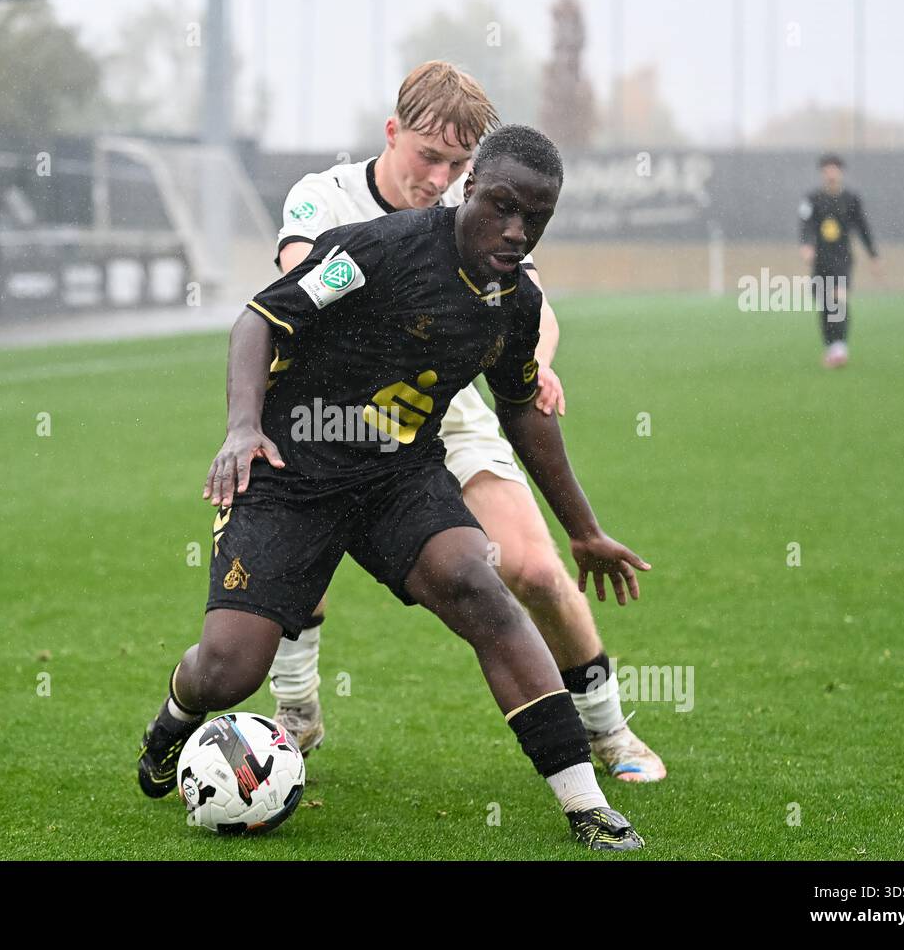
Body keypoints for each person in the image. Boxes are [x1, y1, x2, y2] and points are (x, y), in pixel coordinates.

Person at [136, 125, 649, 851]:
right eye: (502, 207)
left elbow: (523, 415)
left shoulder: (514, 302)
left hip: (396, 476)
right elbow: (260, 318)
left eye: (536, 217)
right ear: (468, 188)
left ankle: (585, 803)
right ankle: (171, 726)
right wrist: (242, 429)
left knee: (479, 583)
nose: (516, 230)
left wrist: (584, 529)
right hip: (290, 471)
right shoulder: (383, 248)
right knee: (228, 669)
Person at [266, 61, 664, 781]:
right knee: (295, 552)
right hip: (331, 414)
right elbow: (295, 284)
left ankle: (610, 731)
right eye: (428, 156)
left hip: (443, 407)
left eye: (456, 165)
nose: (438, 178)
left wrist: (536, 363)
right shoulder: (323, 198)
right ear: (392, 133)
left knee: (537, 569)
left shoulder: (479, 212)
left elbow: (532, 308)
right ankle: (295, 714)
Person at [799, 153, 880, 368]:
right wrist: (806, 245)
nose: (831, 172)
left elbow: (863, 228)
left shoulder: (851, 199)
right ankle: (831, 346)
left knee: (838, 300)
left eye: (834, 168)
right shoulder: (812, 199)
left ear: (840, 171)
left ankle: (840, 347)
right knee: (825, 305)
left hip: (842, 258)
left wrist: (873, 255)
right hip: (821, 259)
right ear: (822, 172)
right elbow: (806, 224)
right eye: (827, 168)